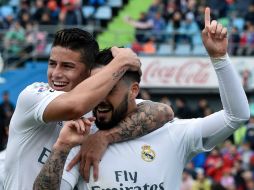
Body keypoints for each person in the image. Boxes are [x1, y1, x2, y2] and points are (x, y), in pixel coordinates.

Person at [33, 7, 250, 190]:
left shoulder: (174, 134)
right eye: (97, 87)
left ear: (134, 90)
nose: (99, 97)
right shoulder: (80, 138)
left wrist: (219, 58)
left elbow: (236, 116)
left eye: (109, 89)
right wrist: (61, 147)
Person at [4, 28, 173, 190]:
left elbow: (162, 111)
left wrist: (104, 137)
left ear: (89, 73)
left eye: (67, 66)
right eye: (52, 64)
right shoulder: (33, 95)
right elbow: (74, 106)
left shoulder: (96, 108)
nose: (55, 73)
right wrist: (121, 62)